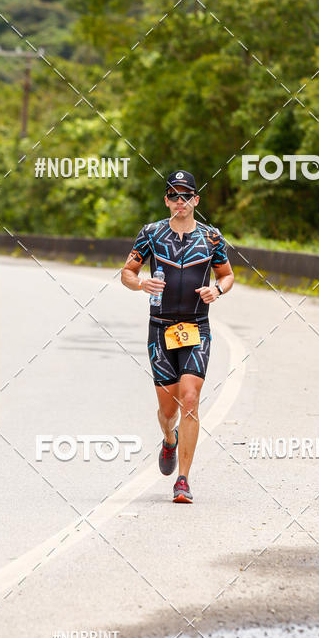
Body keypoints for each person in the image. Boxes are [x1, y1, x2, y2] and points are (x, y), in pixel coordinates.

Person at [121, 170, 234, 503]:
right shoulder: (150, 234)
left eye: (186, 196)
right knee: (167, 409)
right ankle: (168, 438)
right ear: (166, 200)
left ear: (196, 200)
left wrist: (217, 291)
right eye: (173, 195)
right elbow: (127, 272)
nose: (180, 201)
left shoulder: (212, 238)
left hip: (197, 327)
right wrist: (141, 283)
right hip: (160, 328)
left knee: (189, 398)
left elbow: (226, 276)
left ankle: (183, 479)